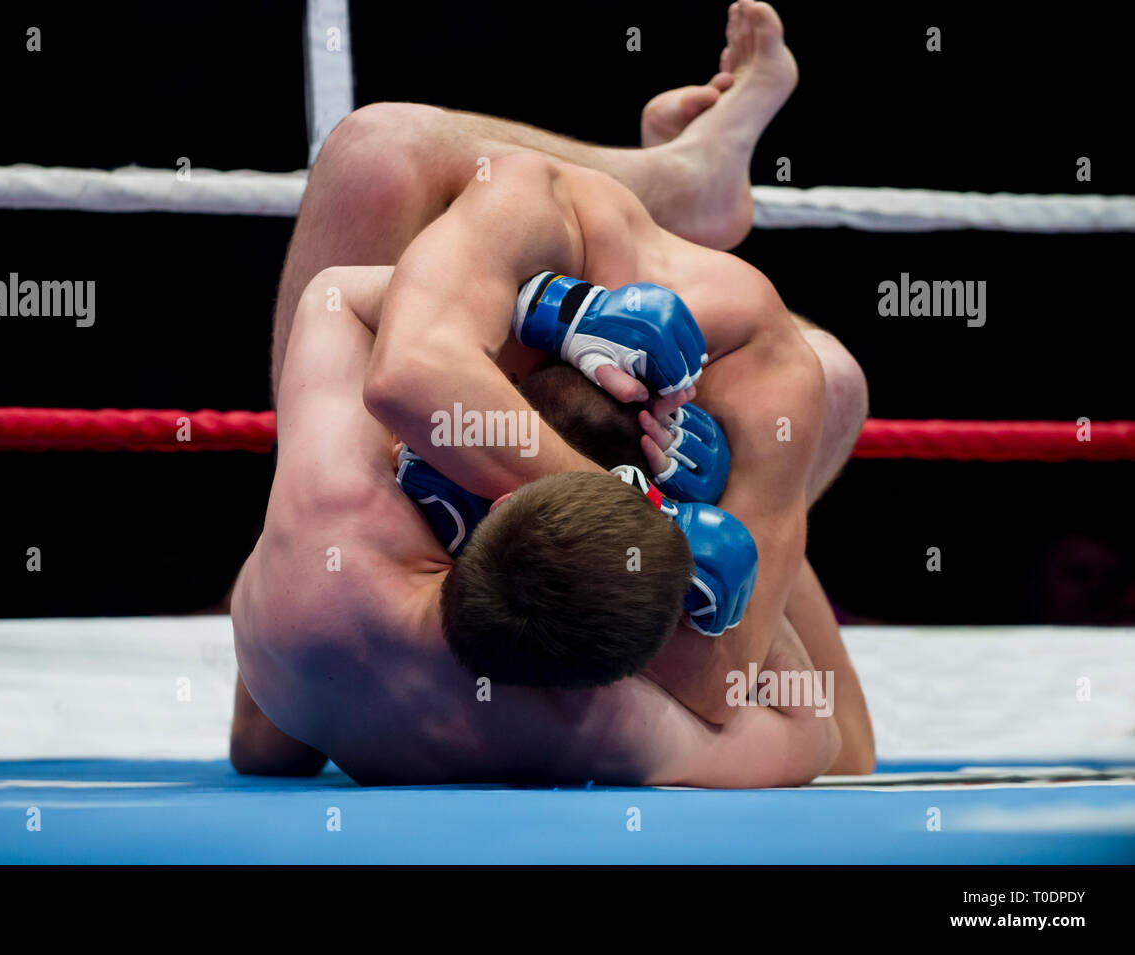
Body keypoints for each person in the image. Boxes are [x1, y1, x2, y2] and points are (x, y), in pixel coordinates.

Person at [232, 0, 874, 783]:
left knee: (832, 381)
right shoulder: (594, 724)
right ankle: (684, 179)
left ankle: (684, 181)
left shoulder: (768, 368)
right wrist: (662, 537)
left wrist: (639, 532)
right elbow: (794, 734)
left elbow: (719, 681)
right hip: (514, 559)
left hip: (333, 632)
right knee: (375, 154)